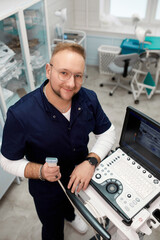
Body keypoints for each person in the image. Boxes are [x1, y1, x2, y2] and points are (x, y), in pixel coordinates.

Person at [0, 42, 116, 240]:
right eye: (64, 73)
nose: (71, 84)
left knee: (70, 205)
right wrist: (39, 171)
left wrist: (91, 161)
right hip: (46, 189)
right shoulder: (21, 114)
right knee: (52, 230)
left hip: (78, 179)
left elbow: (107, 132)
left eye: (78, 75)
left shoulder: (89, 99)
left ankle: (70, 216)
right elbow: (7, 161)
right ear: (48, 70)